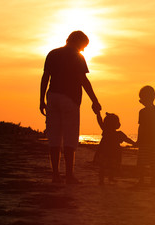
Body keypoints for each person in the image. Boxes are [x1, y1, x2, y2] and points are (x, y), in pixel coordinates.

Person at [39, 30, 101, 184]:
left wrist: (41, 99)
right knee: (70, 138)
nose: (84, 49)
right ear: (78, 41)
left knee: (54, 138)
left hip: (52, 96)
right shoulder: (77, 56)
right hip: (70, 99)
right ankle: (69, 175)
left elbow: (45, 77)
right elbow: (83, 80)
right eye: (84, 46)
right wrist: (95, 100)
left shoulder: (52, 53)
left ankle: (55, 175)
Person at [94, 111, 136, 185]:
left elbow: (100, 121)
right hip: (113, 153)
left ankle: (103, 180)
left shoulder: (106, 131)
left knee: (103, 167)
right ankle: (109, 178)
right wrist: (135, 143)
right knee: (110, 166)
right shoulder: (118, 133)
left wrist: (98, 113)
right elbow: (127, 139)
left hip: (105, 151)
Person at [136, 86, 155, 186]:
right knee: (152, 161)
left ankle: (143, 180)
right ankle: (150, 180)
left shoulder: (143, 112)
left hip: (149, 140)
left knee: (146, 161)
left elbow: (141, 127)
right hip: (152, 140)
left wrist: (138, 140)